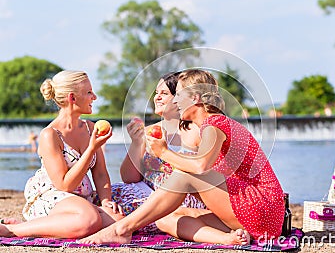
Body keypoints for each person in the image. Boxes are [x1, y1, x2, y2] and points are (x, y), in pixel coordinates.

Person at [80, 69, 285, 245]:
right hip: (256, 219)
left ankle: (120, 230)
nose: (175, 101)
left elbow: (200, 166)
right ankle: (227, 239)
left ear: (195, 98)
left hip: (260, 209)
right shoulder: (211, 125)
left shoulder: (216, 124)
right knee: (167, 219)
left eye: (178, 95)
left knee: (183, 176)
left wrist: (164, 152)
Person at [0, 70, 124, 238]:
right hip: (53, 196)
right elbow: (64, 185)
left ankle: (49, 226)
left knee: (118, 219)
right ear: (72, 98)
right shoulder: (49, 135)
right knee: (90, 220)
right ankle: (12, 230)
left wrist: (106, 201)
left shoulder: (90, 128)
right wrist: (91, 149)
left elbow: (100, 172)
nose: (94, 97)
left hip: (80, 201)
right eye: (89, 92)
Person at [112, 72, 205, 219]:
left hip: (180, 198)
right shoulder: (149, 131)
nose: (157, 97)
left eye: (164, 93)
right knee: (108, 197)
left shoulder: (196, 131)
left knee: (121, 211)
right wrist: (137, 143)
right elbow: (129, 178)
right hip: (147, 192)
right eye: (156, 93)